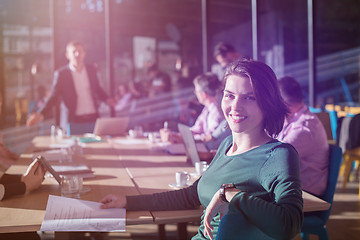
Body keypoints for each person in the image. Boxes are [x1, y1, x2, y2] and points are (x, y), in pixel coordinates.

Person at [100, 59, 303, 240]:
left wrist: (230, 194)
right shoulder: (226, 146)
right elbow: (190, 195)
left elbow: (288, 227)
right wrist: (127, 201)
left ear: (267, 103)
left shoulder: (277, 155)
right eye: (229, 95)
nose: (235, 106)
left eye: (249, 98)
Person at [26, 41, 116, 134]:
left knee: (96, 147)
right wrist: (41, 113)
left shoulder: (91, 70)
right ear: (67, 55)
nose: (77, 54)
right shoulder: (62, 74)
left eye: (80, 51)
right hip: (73, 121)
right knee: (75, 147)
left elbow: (97, 89)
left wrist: (107, 99)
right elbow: (53, 96)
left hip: (93, 119)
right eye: (74, 51)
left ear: (84, 54)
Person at [277, 76, 329, 197]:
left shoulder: (304, 128)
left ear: (282, 103)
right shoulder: (291, 119)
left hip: (305, 193)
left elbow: (276, 158)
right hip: (292, 188)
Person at [161, 73, 224, 142]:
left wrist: (183, 138)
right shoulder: (207, 108)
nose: (195, 94)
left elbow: (209, 138)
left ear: (204, 94)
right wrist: (176, 135)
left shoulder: (217, 111)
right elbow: (197, 129)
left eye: (196, 91)